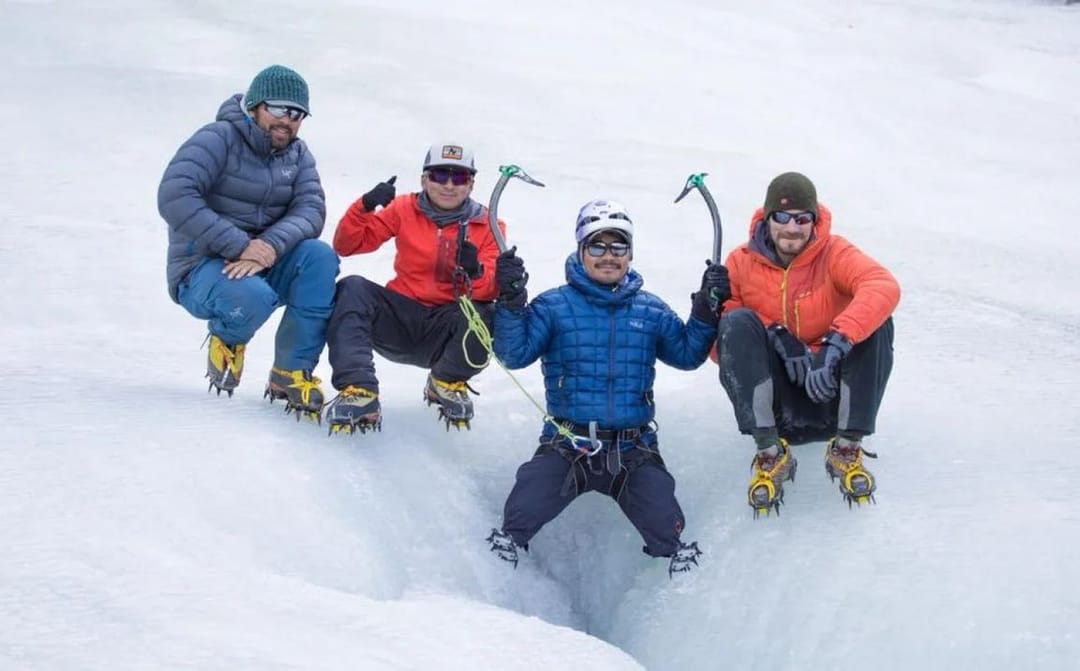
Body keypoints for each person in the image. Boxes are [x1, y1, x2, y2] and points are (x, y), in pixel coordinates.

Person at [485, 199, 729, 576]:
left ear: (630, 253)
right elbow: (514, 354)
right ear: (581, 249)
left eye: (619, 246)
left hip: (633, 450)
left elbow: (686, 354)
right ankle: (502, 568)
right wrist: (511, 301)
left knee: (667, 527)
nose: (608, 256)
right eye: (597, 246)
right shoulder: (553, 306)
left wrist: (706, 309)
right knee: (523, 507)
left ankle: (675, 575)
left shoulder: (650, 310)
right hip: (568, 445)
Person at [157, 64, 339, 420]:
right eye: (279, 109)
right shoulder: (216, 139)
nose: (287, 121)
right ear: (255, 105)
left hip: (263, 261)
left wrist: (267, 247)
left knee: (319, 258)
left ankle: (290, 371)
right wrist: (240, 245)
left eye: (297, 114)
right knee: (251, 297)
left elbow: (311, 209)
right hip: (203, 268)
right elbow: (175, 195)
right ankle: (227, 337)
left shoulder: (298, 155)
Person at [713, 171, 900, 516]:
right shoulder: (740, 261)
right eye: (782, 217)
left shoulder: (834, 252)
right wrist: (776, 334)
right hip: (777, 407)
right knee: (735, 322)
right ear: (766, 218)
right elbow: (722, 346)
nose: (792, 228)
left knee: (876, 321)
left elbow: (882, 285)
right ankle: (769, 453)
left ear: (814, 221)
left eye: (802, 219)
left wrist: (836, 342)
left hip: (833, 399)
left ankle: (846, 448)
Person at [324, 143, 506, 433]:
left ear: (471, 184)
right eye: (439, 175)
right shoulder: (404, 208)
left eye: (459, 177)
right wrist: (364, 207)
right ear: (424, 179)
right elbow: (348, 245)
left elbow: (492, 288)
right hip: (400, 318)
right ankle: (359, 388)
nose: (449, 185)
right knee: (353, 288)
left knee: (486, 315)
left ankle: (447, 381)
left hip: (446, 329)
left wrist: (475, 272)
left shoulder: (488, 225)